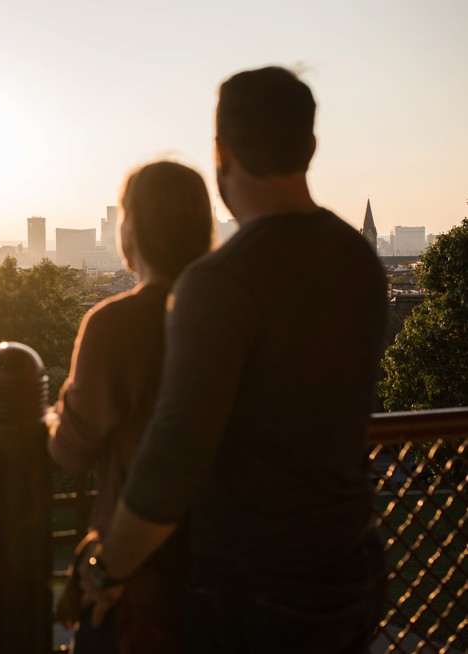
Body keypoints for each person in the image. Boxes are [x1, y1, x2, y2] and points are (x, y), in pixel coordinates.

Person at [80, 66, 389, 654]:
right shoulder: (357, 259)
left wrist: (107, 569)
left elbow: (176, 451)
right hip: (353, 558)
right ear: (311, 147)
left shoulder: (221, 281)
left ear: (220, 152)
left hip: (260, 583)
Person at [48, 160, 213, 653]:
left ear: (131, 229)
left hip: (134, 577)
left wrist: (49, 415)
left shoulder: (115, 324)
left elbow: (68, 450)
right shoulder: (226, 315)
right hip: (227, 566)